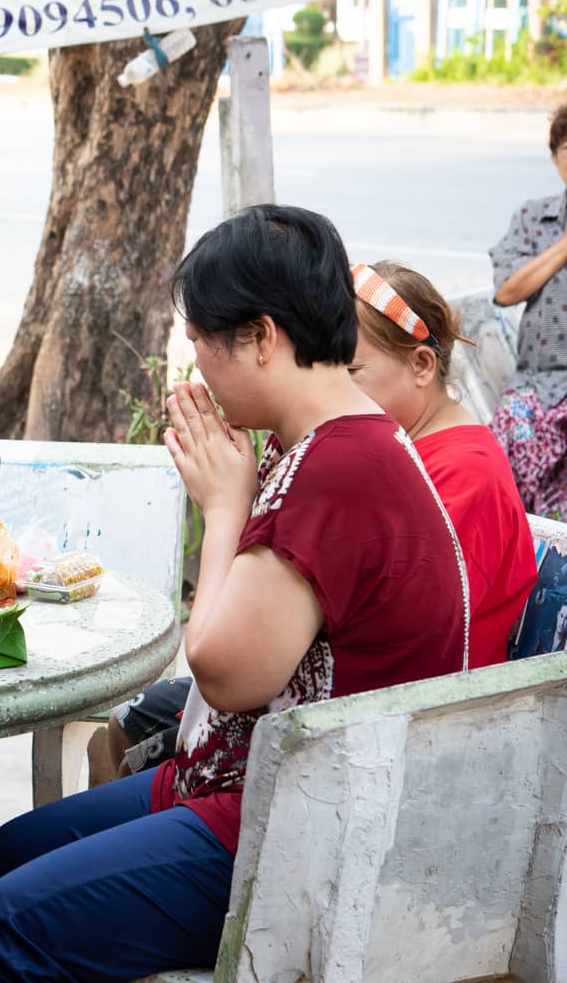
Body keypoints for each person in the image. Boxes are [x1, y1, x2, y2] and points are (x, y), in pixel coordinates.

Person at [0, 206, 468, 983]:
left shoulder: (340, 468)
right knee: (9, 853)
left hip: (300, 827)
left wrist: (225, 507)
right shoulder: (336, 439)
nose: (194, 367)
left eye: (198, 342)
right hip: (255, 775)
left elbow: (225, 672)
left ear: (261, 338)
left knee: (1, 929)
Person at [104, 259, 537, 780]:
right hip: (329, 676)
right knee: (122, 724)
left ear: (422, 366)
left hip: (413, 723)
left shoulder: (458, 472)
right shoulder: (379, 448)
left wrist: (232, 508)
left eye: (350, 372)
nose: (335, 388)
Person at [490, 102, 567, 520]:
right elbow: (505, 291)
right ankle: (524, 548)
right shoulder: (533, 218)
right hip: (536, 384)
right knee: (506, 443)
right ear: (555, 158)